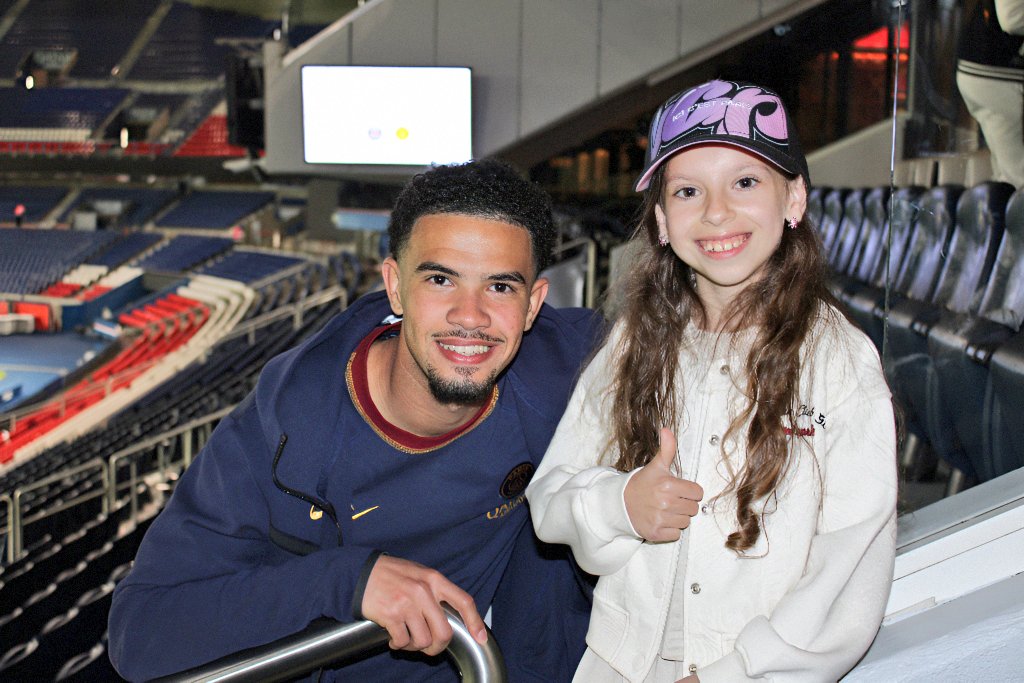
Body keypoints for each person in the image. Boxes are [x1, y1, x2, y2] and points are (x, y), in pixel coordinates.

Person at [108, 159, 601, 682]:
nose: (470, 315)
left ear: (533, 306)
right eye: (440, 279)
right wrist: (348, 583)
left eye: (501, 287)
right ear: (394, 286)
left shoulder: (566, 368)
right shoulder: (281, 433)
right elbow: (140, 631)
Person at [526, 79, 898, 682]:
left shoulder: (838, 360)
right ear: (662, 222)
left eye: (745, 182)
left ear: (794, 199)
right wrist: (620, 504)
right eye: (688, 191)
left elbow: (849, 560)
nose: (716, 212)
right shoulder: (634, 342)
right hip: (619, 665)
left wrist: (739, 671)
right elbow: (550, 495)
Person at [957, 0, 1024, 188]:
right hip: (997, 74)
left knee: (1009, 176)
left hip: (986, 71)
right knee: (1018, 177)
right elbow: (1012, 18)